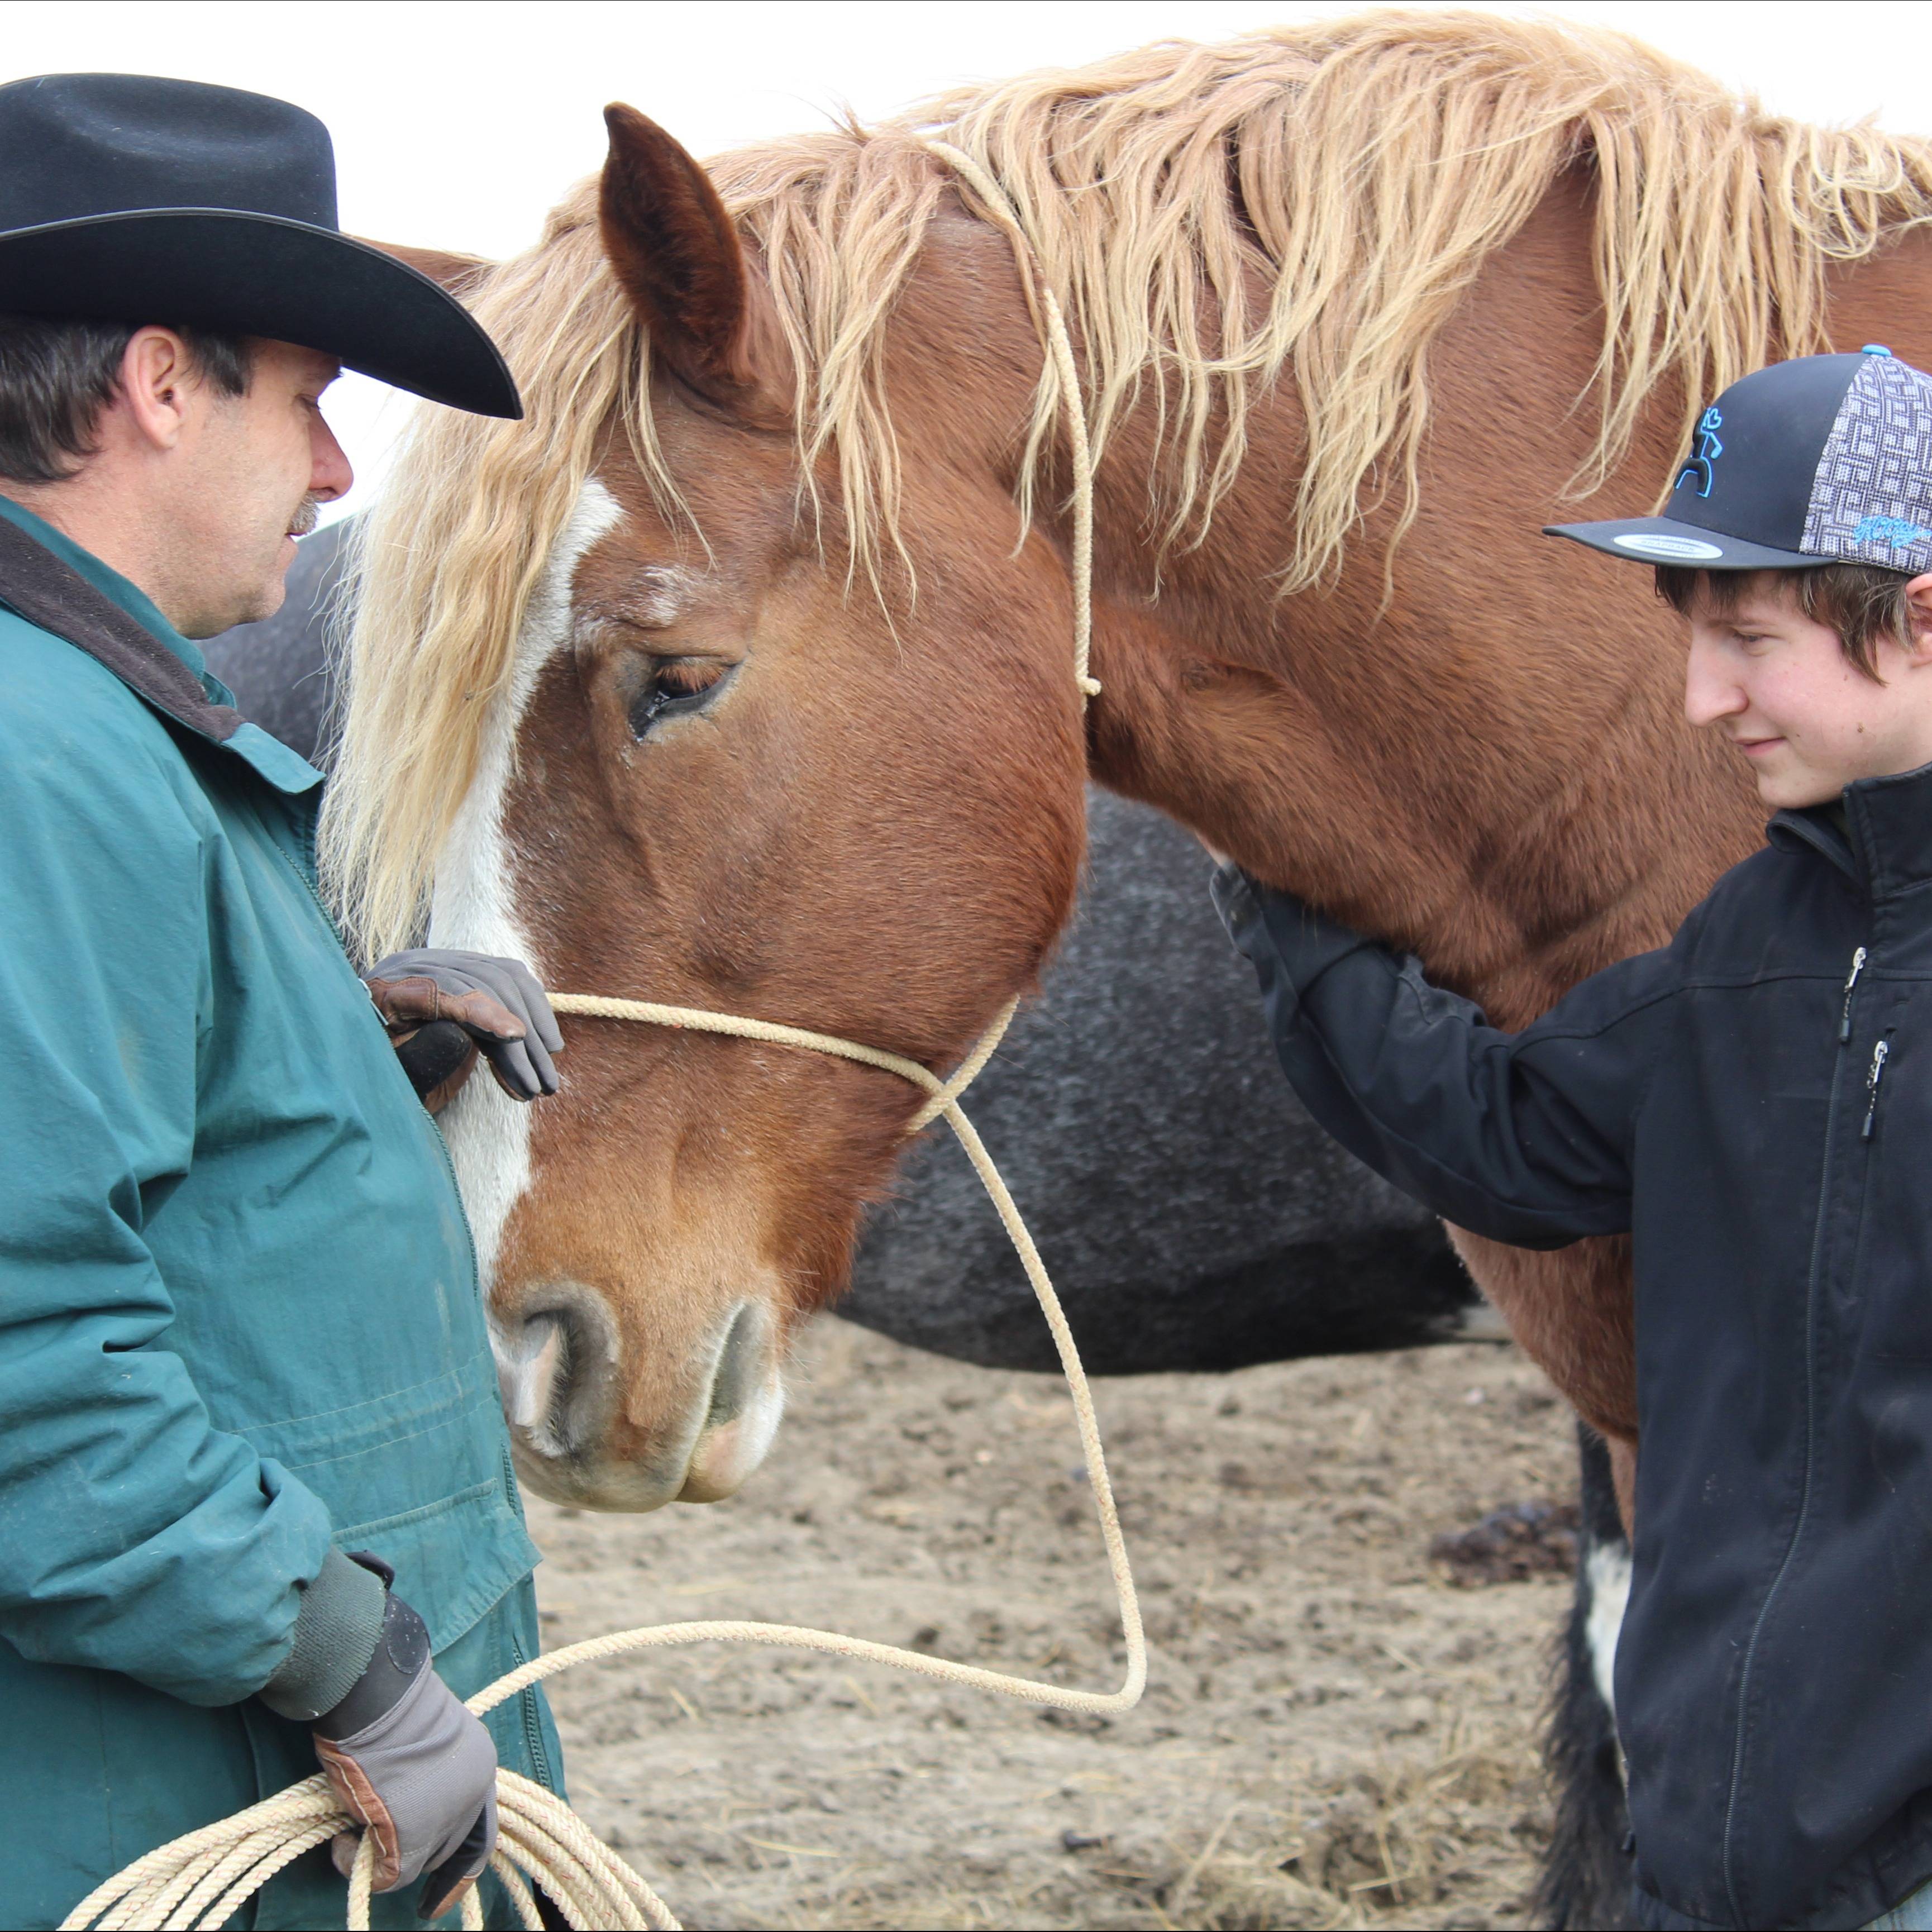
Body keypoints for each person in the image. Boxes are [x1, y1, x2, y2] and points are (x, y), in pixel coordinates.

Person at [1214, 345, 1932, 1932]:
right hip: (1717, 1839)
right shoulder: (1761, 940)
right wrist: (1273, 849)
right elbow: (1509, 1137)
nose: (1701, 697)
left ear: (1919, 618)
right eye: (1694, 639)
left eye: (1748, 639)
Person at [0, 75, 569, 1930]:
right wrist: (345, 1657)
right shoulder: (34, 754)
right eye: (309, 402)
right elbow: (23, 1353)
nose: (334, 473)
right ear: (162, 385)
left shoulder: (92, 728)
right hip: (192, 1785)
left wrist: (330, 1054)